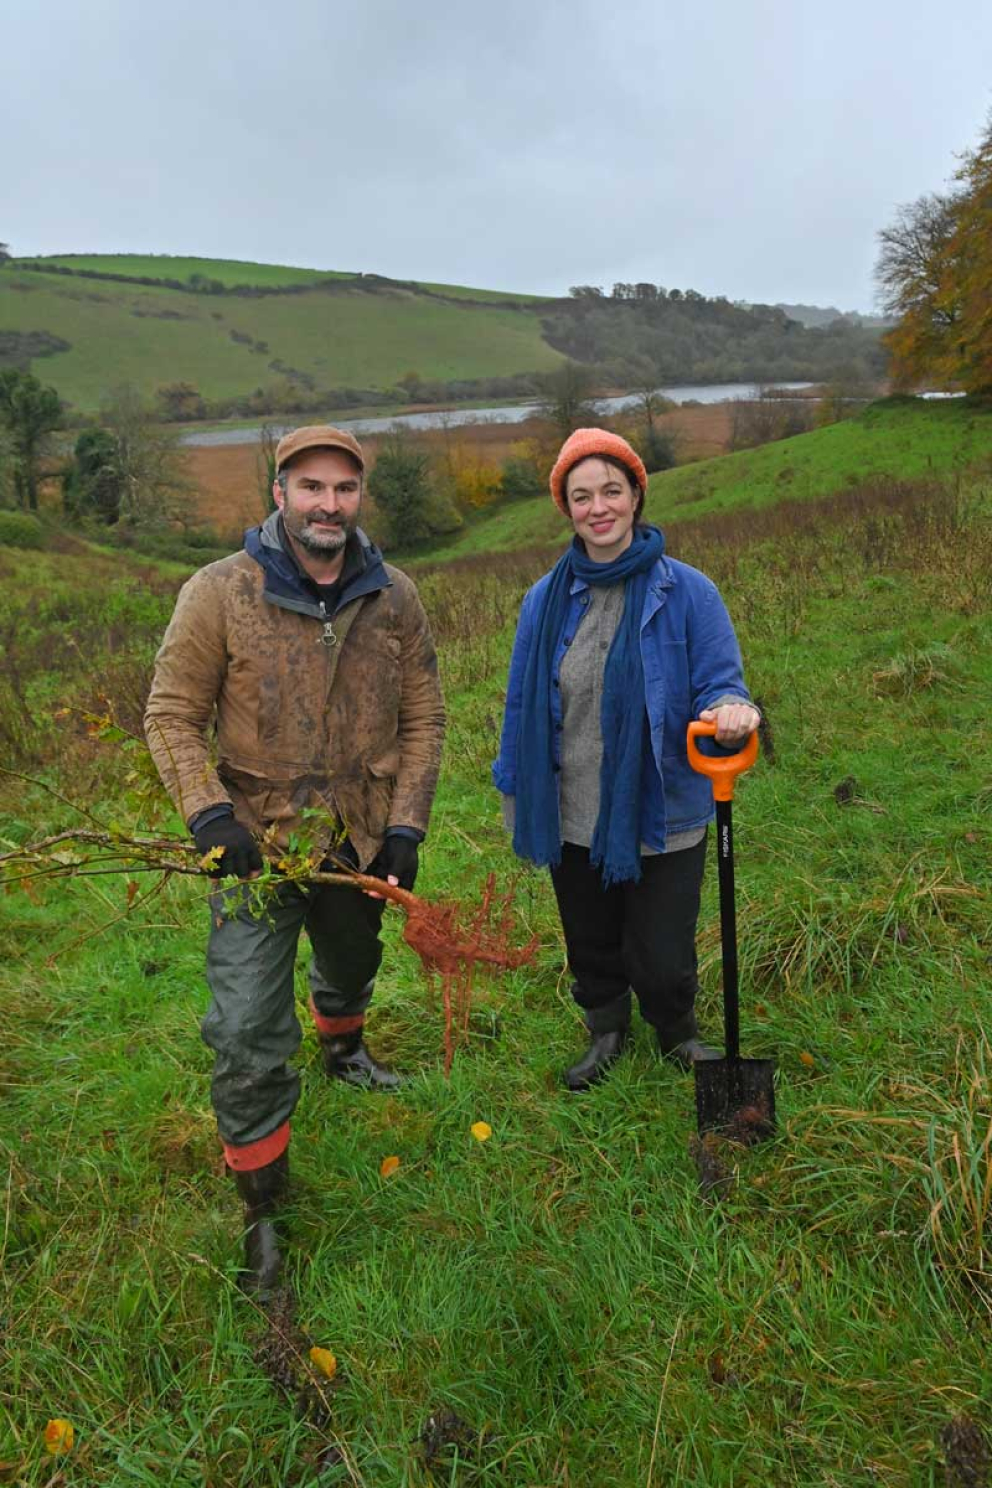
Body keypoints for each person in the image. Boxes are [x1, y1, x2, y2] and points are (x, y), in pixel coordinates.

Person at [144, 424, 445, 1289]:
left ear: (359, 499)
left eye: (344, 490)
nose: (328, 505)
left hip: (357, 836)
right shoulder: (219, 593)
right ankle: (263, 1203)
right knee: (244, 1026)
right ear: (278, 493)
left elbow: (425, 718)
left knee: (353, 959)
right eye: (310, 487)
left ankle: (344, 1046)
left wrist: (407, 828)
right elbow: (170, 716)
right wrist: (210, 816)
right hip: (254, 846)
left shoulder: (395, 596)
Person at [492, 427, 758, 1092]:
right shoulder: (542, 601)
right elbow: (522, 707)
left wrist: (732, 710)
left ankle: (676, 1030)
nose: (598, 507)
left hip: (663, 805)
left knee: (663, 954)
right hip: (573, 806)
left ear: (637, 494)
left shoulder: (689, 592)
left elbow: (722, 681)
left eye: (611, 489)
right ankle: (606, 1027)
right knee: (591, 938)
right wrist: (518, 794)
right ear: (566, 508)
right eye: (581, 496)